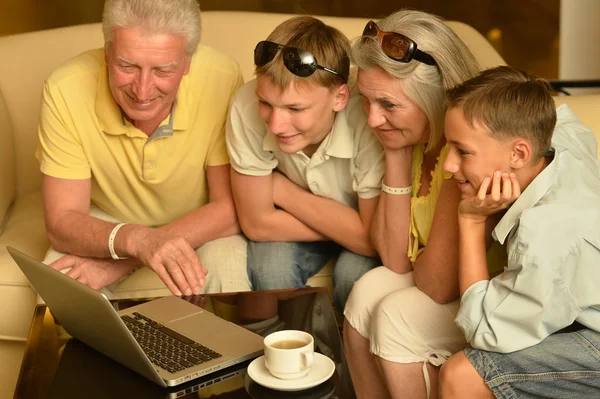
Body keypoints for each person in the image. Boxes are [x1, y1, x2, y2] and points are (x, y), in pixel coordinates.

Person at [342, 10, 507, 399]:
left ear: (437, 97)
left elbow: (437, 285)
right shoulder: (415, 138)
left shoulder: (468, 151)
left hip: (496, 300)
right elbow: (397, 260)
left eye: (388, 105)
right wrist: (395, 152)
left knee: (395, 315)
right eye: (366, 101)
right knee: (368, 288)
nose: (372, 119)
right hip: (443, 288)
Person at [36, 0, 250, 299]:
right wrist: (135, 239)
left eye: (163, 70)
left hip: (202, 220)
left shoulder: (221, 77)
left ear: (188, 62)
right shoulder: (64, 88)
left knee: (230, 272)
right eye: (127, 66)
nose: (142, 90)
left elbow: (228, 209)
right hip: (108, 218)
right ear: (108, 54)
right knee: (60, 285)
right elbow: (62, 222)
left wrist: (124, 262)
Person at [438, 67, 600, 398]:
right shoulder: (561, 141)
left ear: (519, 154)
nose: (449, 165)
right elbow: (564, 119)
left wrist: (470, 222)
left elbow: (483, 330)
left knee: (463, 374)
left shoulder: (543, 240)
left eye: (463, 151)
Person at [226, 16, 384, 311]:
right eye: (266, 103)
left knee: (355, 277)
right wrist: (351, 227)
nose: (275, 124)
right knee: (271, 269)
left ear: (339, 97)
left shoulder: (368, 117)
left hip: (329, 223)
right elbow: (257, 225)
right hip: (311, 226)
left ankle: (348, 358)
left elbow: (375, 239)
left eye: (295, 108)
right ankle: (297, 354)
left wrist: (282, 191)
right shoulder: (245, 105)